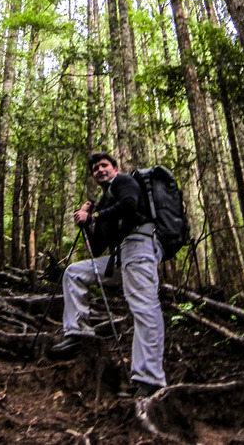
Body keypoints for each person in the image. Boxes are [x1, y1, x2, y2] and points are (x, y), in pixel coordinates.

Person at [49, 151, 166, 398]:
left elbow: (130, 205)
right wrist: (86, 223)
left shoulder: (123, 182)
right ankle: (77, 334)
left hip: (140, 247)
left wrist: (94, 216)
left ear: (115, 168)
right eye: (95, 169)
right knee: (74, 273)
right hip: (120, 258)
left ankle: (150, 380)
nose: (100, 170)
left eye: (104, 165)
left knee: (144, 308)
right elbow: (97, 246)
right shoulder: (104, 202)